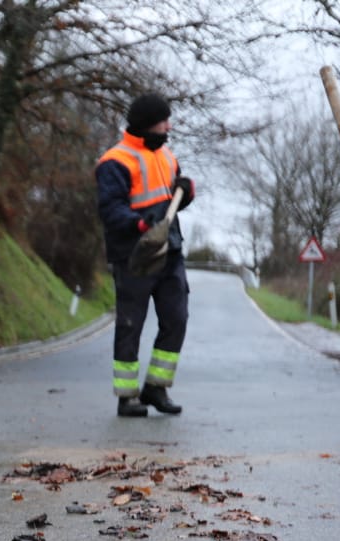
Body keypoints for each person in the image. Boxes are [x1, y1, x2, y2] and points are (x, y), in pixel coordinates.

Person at [95, 92, 195, 416]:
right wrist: (139, 224)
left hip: (170, 251)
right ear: (146, 125)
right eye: (163, 121)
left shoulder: (167, 156)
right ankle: (127, 397)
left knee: (176, 319)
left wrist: (187, 192)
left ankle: (156, 388)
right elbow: (110, 209)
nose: (169, 126)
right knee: (130, 324)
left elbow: (173, 198)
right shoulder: (115, 161)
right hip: (134, 256)